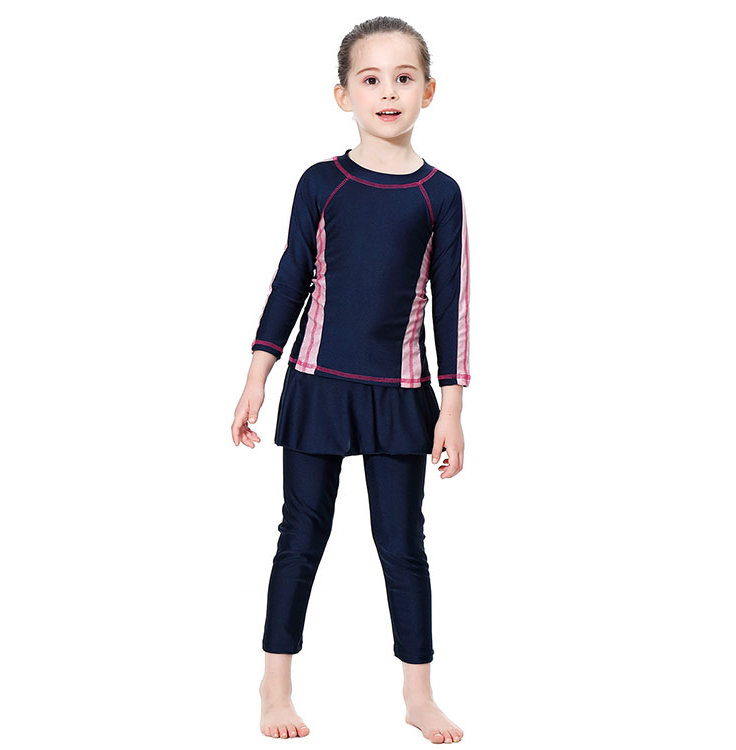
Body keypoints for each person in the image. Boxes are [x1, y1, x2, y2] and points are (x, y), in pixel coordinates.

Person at [232, 16, 469, 744]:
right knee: (301, 535)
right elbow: (291, 281)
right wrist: (256, 377)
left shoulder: (439, 194)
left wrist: (452, 410)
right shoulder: (321, 183)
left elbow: (452, 306)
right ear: (344, 95)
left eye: (404, 78)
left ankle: (418, 694)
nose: (388, 92)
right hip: (317, 387)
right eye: (371, 79)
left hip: (400, 396)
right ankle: (275, 685)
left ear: (428, 90)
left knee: (402, 543)